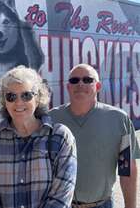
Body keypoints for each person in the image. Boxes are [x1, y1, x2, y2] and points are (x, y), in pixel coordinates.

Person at [0, 65, 77, 208]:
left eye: (26, 95)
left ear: (38, 98)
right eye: (11, 96)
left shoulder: (60, 137)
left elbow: (61, 197)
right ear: (4, 101)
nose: (18, 102)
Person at [49, 63, 140, 208]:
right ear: (68, 87)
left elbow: (127, 169)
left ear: (97, 86)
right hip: (60, 204)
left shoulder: (119, 120)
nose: (80, 84)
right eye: (74, 80)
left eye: (87, 80)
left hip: (102, 204)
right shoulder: (51, 119)